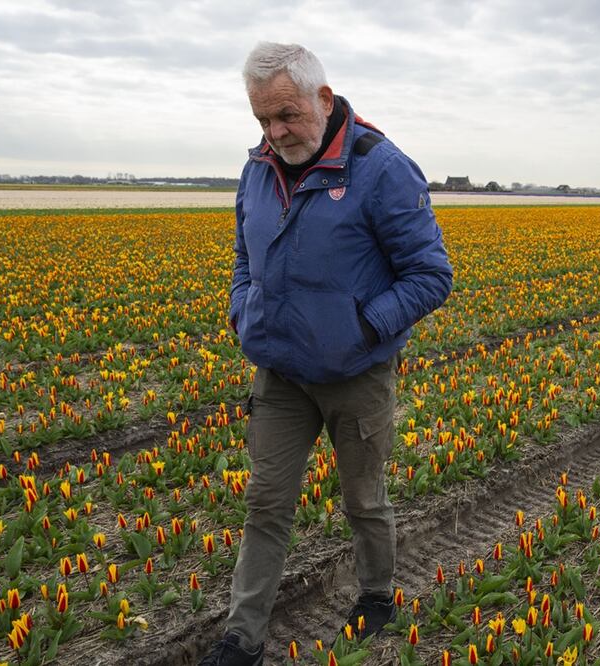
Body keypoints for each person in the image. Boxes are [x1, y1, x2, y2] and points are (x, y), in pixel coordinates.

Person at [199, 43, 453, 666]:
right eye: (261, 119)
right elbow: (243, 254)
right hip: (281, 370)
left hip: (354, 373)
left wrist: (363, 329)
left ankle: (376, 595)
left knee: (363, 497)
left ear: (323, 97)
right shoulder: (258, 167)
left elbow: (430, 274)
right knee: (265, 501)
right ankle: (243, 637)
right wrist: (243, 308)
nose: (274, 132)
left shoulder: (381, 168)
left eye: (285, 115)